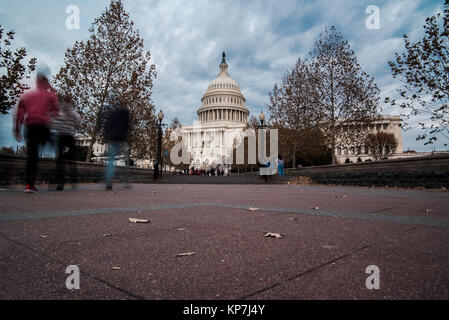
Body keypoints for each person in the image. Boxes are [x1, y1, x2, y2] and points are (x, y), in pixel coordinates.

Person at [13, 69, 59, 193]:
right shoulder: (50, 95)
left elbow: (19, 114)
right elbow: (55, 112)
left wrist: (17, 129)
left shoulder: (27, 95)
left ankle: (29, 185)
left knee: (32, 156)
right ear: (46, 83)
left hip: (30, 128)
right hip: (42, 127)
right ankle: (52, 145)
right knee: (50, 141)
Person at [51, 95, 80, 190]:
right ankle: (73, 179)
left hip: (60, 136)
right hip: (68, 136)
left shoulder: (59, 111)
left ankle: (60, 183)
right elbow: (77, 122)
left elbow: (53, 124)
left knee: (60, 160)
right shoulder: (72, 112)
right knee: (71, 158)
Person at [104, 94, 130, 190]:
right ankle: (127, 181)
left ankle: (109, 180)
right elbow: (127, 125)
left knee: (111, 161)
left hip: (113, 138)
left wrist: (108, 135)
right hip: (122, 138)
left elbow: (107, 126)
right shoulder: (125, 112)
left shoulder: (112, 113)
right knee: (125, 160)